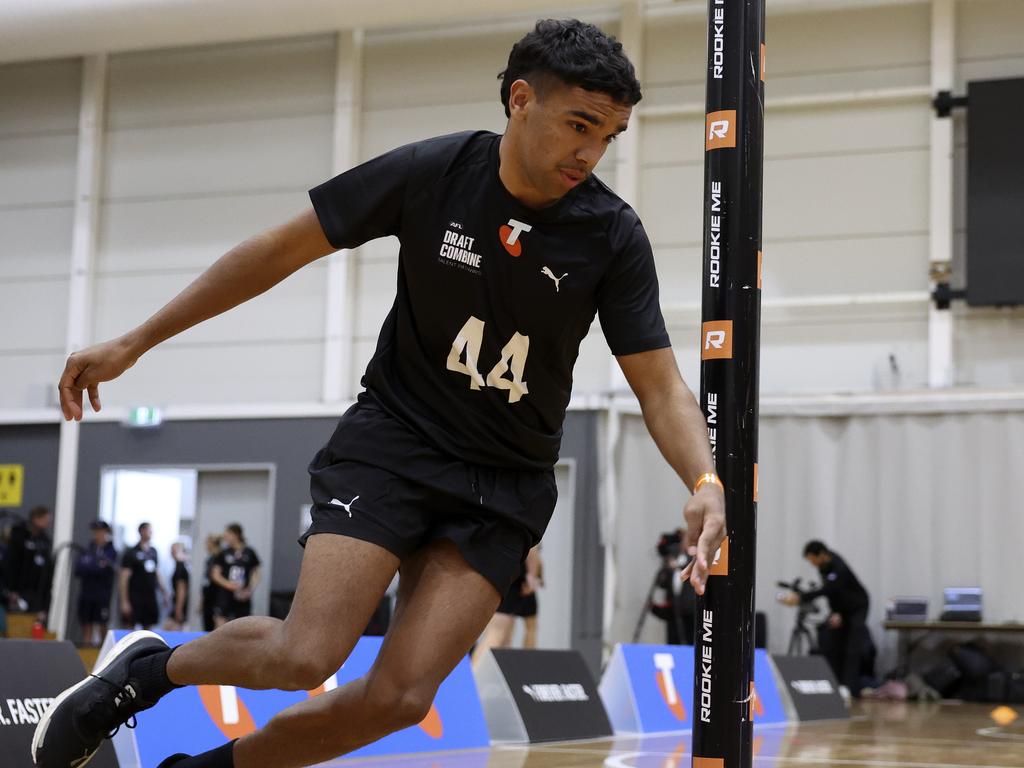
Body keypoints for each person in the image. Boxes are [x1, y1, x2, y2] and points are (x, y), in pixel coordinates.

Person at [35, 19, 726, 768]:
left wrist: (704, 477)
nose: (590, 153)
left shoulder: (612, 235)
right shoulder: (432, 174)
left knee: (400, 700)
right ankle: (147, 672)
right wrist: (134, 341)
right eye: (580, 125)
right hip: (396, 442)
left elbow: (659, 386)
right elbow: (275, 252)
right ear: (521, 100)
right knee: (306, 655)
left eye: (610, 136)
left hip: (504, 482)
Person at [783, 539, 875, 696]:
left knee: (853, 645)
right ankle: (836, 682)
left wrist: (801, 596)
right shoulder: (823, 567)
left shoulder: (839, 567)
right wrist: (835, 612)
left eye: (812, 559)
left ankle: (848, 687)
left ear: (822, 554)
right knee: (836, 642)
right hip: (843, 609)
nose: (812, 563)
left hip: (858, 607)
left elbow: (828, 589)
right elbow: (834, 595)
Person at [472, 545, 543, 665]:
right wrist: (532, 575)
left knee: (517, 630)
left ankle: (525, 668)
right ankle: (474, 675)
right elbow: (532, 549)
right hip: (512, 578)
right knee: (498, 633)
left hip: (511, 576)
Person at [4, 505, 53, 617]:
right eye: (45, 519)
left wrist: (45, 602)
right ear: (36, 518)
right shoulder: (19, 535)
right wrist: (11, 589)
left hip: (37, 592)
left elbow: (48, 571)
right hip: (19, 590)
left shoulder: (44, 540)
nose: (48, 523)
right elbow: (10, 564)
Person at [75, 520, 118, 646]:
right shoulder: (87, 549)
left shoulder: (111, 551)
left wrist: (91, 565)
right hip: (87, 593)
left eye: (100, 532)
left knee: (102, 623)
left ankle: (102, 651)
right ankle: (86, 650)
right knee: (86, 622)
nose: (97, 535)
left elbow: (105, 568)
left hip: (102, 595)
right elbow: (79, 568)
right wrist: (95, 565)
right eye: (95, 532)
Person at [119, 522, 168, 631]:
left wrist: (164, 592)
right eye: (148, 530)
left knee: (148, 628)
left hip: (150, 596)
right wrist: (124, 601)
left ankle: (147, 648)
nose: (150, 533)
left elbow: (157, 573)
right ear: (141, 531)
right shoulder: (131, 553)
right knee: (129, 628)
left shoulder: (153, 552)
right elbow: (124, 578)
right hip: (135, 597)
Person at [210, 524, 261, 628]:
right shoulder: (223, 553)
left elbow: (256, 573)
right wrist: (229, 585)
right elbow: (215, 574)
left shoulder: (249, 552)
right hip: (225, 596)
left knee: (242, 626)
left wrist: (250, 589)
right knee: (220, 624)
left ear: (236, 535)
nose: (225, 537)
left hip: (242, 596)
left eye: (228, 534)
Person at [164, 542, 192, 631]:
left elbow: (181, 589)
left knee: (171, 628)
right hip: (177, 603)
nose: (172, 552)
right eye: (171, 550)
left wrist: (178, 609)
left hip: (179, 605)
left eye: (174, 550)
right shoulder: (179, 566)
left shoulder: (181, 567)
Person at [200, 534, 222, 632]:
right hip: (208, 597)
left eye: (207, 543)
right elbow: (205, 582)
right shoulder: (209, 559)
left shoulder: (220, 559)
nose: (205, 546)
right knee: (207, 625)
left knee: (215, 627)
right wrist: (202, 600)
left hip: (216, 598)